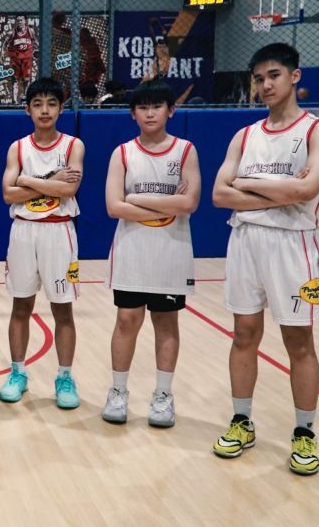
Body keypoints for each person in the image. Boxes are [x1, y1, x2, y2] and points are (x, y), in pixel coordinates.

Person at [211, 43, 319, 475]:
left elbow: (307, 190)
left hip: (293, 245)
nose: (265, 85)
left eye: (274, 76)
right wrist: (282, 190)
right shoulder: (244, 136)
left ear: (294, 76)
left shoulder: (318, 130)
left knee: (299, 342)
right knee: (243, 334)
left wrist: (247, 184)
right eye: (259, 79)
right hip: (246, 241)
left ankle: (304, 432)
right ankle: (241, 421)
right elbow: (219, 194)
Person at [101, 79, 200, 427]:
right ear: (133, 114)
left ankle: (163, 395)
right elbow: (114, 207)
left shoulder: (185, 150)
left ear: (171, 111)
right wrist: (167, 203)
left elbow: (189, 203)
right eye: (142, 107)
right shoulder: (123, 153)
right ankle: (118, 391)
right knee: (126, 320)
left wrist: (136, 199)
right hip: (132, 250)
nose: (150, 113)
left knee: (166, 322)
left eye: (157, 106)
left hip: (171, 250)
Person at [0, 78, 85, 408]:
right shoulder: (18, 148)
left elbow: (69, 190)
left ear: (61, 108)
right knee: (21, 306)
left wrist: (25, 180)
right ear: (28, 110)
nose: (45, 110)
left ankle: (65, 377)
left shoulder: (73, 145)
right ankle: (17, 373)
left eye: (51, 103)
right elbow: (8, 194)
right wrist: (50, 180)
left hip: (59, 231)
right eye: (38, 104)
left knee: (62, 308)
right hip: (24, 231)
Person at [5, 16, 38, 105]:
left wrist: (39, 49)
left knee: (26, 79)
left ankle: (26, 98)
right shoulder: (13, 33)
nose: (19, 22)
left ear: (25, 21)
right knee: (15, 79)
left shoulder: (30, 31)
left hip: (26, 59)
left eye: (21, 20)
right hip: (16, 60)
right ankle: (14, 100)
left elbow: (35, 41)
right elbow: (6, 43)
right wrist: (3, 53)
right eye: (18, 20)